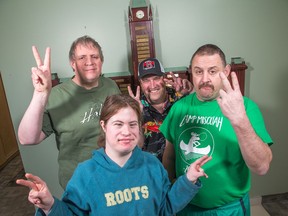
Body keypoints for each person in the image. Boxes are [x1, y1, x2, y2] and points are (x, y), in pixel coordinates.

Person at [17, 94, 211, 216]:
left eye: (132, 124)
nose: (126, 132)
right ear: (104, 126)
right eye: (118, 124)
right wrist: (50, 205)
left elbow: (166, 208)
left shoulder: (152, 165)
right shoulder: (86, 174)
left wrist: (189, 179)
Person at [160, 44, 273, 215]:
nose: (205, 78)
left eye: (212, 71)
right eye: (198, 71)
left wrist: (240, 120)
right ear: (191, 72)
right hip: (184, 206)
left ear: (226, 71)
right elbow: (169, 156)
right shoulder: (179, 108)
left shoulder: (246, 108)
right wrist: (170, 184)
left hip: (228, 209)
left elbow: (262, 167)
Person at [17, 35, 121, 189]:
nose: (89, 62)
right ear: (73, 64)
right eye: (82, 58)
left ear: (101, 61)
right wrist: (40, 94)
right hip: (79, 182)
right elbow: (27, 139)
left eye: (94, 56)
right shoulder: (56, 95)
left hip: (114, 174)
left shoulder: (111, 86)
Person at [128, 57, 193, 161]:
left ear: (164, 78)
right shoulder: (135, 106)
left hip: (183, 170)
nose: (152, 85)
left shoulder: (180, 98)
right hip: (150, 172)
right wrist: (136, 115)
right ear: (140, 83)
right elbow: (136, 146)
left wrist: (191, 93)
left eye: (156, 78)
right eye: (146, 80)